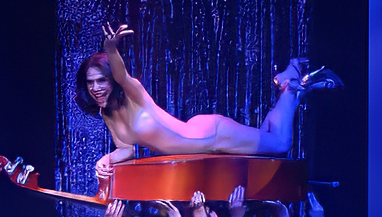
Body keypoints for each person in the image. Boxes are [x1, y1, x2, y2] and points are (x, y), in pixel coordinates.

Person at [80, 24, 341, 180]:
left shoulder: (133, 92)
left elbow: (121, 73)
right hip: (202, 146)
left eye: (101, 81)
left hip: (212, 136)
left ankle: (292, 81)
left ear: (111, 80)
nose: (96, 88)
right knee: (267, 139)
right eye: (90, 83)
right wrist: (106, 160)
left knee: (281, 143)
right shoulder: (107, 114)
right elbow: (126, 149)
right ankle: (290, 86)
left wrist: (111, 49)